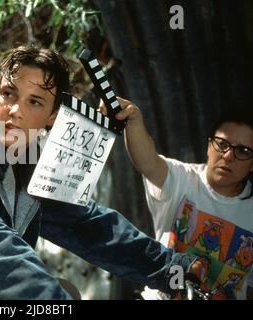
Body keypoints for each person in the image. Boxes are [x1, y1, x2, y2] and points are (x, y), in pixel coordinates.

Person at [0, 46, 203, 300]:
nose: (16, 111)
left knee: (65, 294)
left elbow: (89, 226)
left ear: (51, 116)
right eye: (8, 94)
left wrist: (173, 267)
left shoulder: (27, 166)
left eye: (34, 102)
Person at [105, 96, 253, 299]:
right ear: (209, 146)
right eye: (222, 144)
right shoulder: (183, 179)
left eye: (243, 151)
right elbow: (147, 161)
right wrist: (134, 120)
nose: (228, 156)